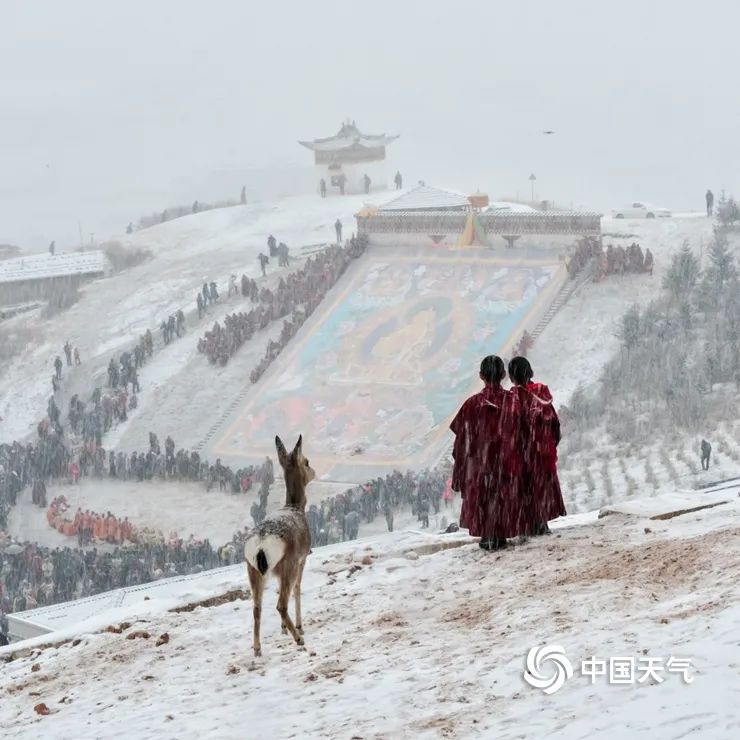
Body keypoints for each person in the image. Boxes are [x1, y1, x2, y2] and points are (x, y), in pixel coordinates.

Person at [449, 355, 526, 551]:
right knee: (503, 499)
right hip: (507, 465)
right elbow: (523, 436)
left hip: (480, 467)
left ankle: (488, 536)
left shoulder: (472, 404)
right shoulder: (513, 402)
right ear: (503, 375)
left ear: (481, 376)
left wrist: (461, 470)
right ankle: (500, 535)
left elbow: (461, 441)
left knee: (484, 501)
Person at [508, 356, 566, 536]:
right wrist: (548, 444)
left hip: (523, 454)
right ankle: (542, 523)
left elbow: (510, 428)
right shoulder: (542, 392)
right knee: (541, 489)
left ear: (511, 376)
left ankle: (532, 524)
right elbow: (555, 424)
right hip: (543, 453)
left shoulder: (513, 398)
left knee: (526, 490)